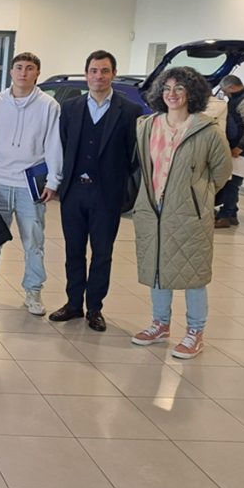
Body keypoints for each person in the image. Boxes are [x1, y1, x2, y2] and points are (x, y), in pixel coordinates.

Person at [130, 66, 232, 358]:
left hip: (189, 212)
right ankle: (160, 324)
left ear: (192, 93)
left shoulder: (207, 130)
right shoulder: (147, 126)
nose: (171, 94)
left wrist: (196, 196)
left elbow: (222, 172)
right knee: (158, 268)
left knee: (192, 273)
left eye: (179, 88)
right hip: (153, 209)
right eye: (166, 88)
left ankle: (195, 332)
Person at [50, 50, 143, 332]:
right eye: (93, 70)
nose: (98, 76)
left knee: (102, 253)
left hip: (107, 194)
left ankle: (95, 308)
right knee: (73, 251)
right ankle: (73, 304)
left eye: (104, 71)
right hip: (74, 192)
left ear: (113, 74)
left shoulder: (130, 111)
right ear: (86, 74)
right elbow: (62, 145)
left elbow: (133, 155)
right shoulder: (70, 108)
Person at [0, 52, 63, 315]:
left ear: (37, 73)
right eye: (19, 67)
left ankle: (33, 291)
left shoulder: (49, 106)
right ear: (11, 71)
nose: (23, 72)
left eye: (30, 68)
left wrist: (54, 180)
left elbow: (54, 144)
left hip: (30, 186)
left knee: (33, 242)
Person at [215, 74, 244, 228]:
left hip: (239, 148)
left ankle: (226, 216)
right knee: (231, 180)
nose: (225, 94)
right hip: (234, 146)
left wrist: (239, 148)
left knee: (232, 182)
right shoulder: (238, 98)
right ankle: (232, 213)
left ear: (231, 87)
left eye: (224, 91)